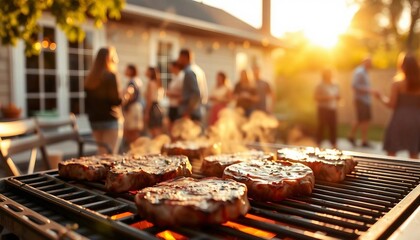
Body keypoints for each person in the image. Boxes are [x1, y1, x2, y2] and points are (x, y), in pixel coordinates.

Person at [375, 53, 420, 159]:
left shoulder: (397, 83)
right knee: (414, 154)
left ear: (402, 66)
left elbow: (392, 105)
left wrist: (380, 97)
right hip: (416, 120)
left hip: (399, 120)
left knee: (391, 153)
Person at [84, 47, 122, 154]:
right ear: (109, 58)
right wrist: (125, 95)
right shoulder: (110, 76)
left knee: (101, 154)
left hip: (94, 121)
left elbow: (88, 102)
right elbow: (115, 101)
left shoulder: (90, 78)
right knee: (110, 156)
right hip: (110, 119)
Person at [347, 57, 375, 147]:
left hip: (365, 100)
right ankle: (362, 140)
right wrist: (368, 90)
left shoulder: (365, 72)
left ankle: (355, 137)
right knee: (362, 119)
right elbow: (354, 86)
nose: (370, 64)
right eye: (369, 62)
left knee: (363, 120)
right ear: (364, 62)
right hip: (361, 99)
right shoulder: (360, 72)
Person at [314, 69, 340, 148]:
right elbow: (316, 97)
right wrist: (329, 97)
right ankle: (318, 144)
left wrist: (337, 98)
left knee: (333, 126)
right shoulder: (320, 85)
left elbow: (337, 94)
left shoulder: (335, 84)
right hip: (323, 108)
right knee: (321, 126)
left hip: (332, 108)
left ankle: (334, 144)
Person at [122, 64, 143, 149]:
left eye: (127, 69)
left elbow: (130, 93)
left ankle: (135, 149)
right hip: (136, 107)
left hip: (132, 108)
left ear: (131, 70)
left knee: (132, 130)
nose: (125, 71)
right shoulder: (136, 80)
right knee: (133, 130)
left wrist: (124, 101)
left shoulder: (132, 82)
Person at [177, 49, 202, 121]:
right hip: (192, 111)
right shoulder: (197, 70)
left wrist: (188, 112)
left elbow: (196, 93)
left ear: (184, 57)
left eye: (180, 58)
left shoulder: (189, 72)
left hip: (191, 113)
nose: (179, 60)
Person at [144, 66, 163, 138]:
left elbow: (150, 99)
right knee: (157, 131)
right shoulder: (158, 83)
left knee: (154, 132)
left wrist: (147, 112)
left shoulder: (150, 83)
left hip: (153, 108)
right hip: (158, 107)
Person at [166, 61, 184, 129]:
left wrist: (171, 94)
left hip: (178, 106)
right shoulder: (174, 77)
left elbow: (183, 93)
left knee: (176, 127)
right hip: (172, 104)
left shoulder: (182, 77)